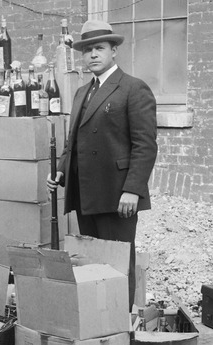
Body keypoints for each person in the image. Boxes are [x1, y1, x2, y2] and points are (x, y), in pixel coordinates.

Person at [47, 19, 157, 307]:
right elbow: (74, 141)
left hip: (117, 196)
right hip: (86, 194)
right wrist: (60, 170)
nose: (93, 54)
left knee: (118, 266)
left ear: (114, 51)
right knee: (93, 264)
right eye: (87, 50)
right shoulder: (83, 92)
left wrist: (133, 189)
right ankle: (99, 321)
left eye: (99, 48)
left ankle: (121, 327)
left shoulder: (133, 88)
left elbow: (145, 145)